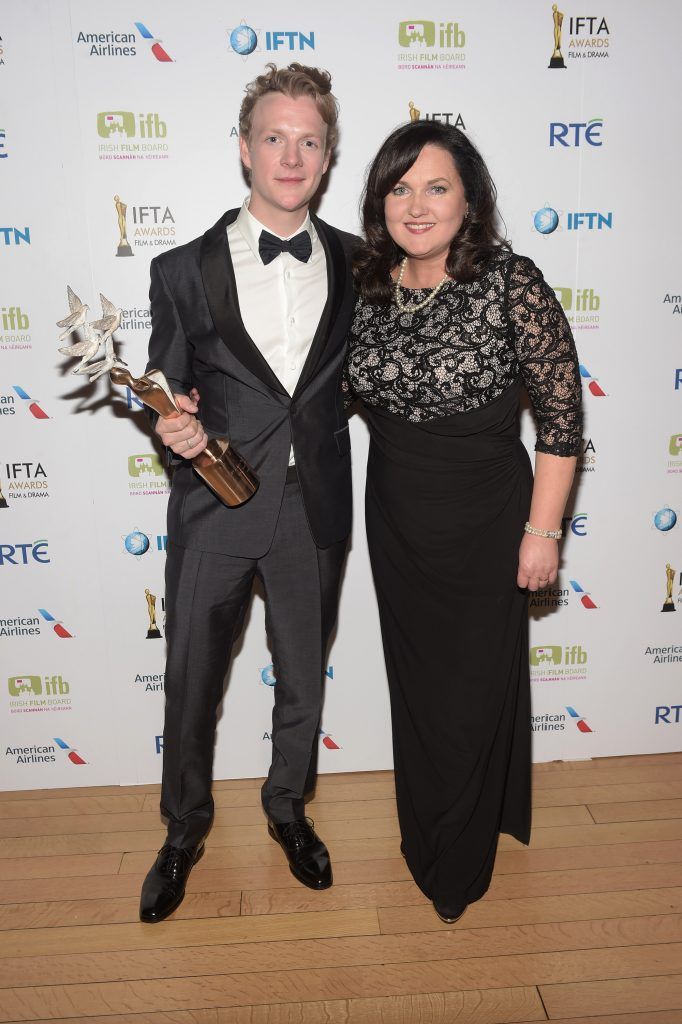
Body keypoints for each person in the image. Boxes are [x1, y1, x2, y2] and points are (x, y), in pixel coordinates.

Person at [344, 121, 582, 924]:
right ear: (380, 202)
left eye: (436, 186)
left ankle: (460, 854)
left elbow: (560, 420)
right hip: (397, 517)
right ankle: (429, 828)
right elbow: (314, 398)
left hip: (487, 519)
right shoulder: (365, 288)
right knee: (418, 685)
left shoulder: (511, 283)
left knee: (473, 689)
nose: (416, 205)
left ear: (469, 199)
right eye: (399, 187)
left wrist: (542, 533)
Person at [139, 63, 358, 924]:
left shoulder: (357, 261)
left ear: (328, 155)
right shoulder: (181, 268)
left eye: (309, 140)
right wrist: (170, 421)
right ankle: (183, 827)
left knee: (303, 677)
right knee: (191, 679)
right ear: (244, 148)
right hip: (213, 505)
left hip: (317, 507)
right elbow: (164, 379)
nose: (291, 154)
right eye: (275, 136)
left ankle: (288, 808)